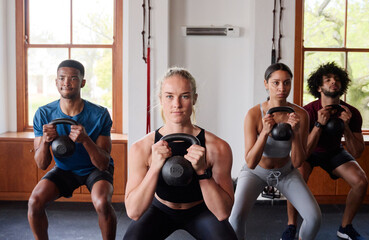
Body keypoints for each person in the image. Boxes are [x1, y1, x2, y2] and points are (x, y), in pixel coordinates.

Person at [123, 67, 237, 240]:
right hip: (160, 210)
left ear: (194, 99)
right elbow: (134, 211)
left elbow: (222, 213)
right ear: (161, 99)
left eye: (184, 96)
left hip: (201, 211)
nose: (176, 104)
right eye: (169, 96)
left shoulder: (217, 148)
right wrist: (154, 167)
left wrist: (202, 171)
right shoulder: (142, 148)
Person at [229, 63, 321, 240]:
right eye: (276, 83)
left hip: (286, 172)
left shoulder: (300, 115)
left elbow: (298, 162)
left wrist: (295, 133)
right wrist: (264, 132)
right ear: (266, 84)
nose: (282, 88)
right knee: (236, 218)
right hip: (256, 172)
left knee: (314, 218)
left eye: (286, 83)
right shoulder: (254, 114)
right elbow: (250, 162)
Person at [27, 59, 117, 240]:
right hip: (64, 169)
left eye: (73, 78)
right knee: (34, 202)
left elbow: (102, 163)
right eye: (61, 78)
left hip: (94, 169)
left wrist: (85, 140)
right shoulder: (44, 114)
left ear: (82, 82)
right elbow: (42, 164)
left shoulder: (100, 114)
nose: (66, 82)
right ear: (56, 82)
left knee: (102, 203)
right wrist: (45, 141)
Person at [282, 62, 368, 240]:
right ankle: (291, 226)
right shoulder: (307, 112)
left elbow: (357, 151)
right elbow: (303, 150)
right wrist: (319, 125)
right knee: (294, 178)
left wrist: (346, 127)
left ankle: (345, 227)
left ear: (341, 84)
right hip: (310, 153)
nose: (333, 82)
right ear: (319, 87)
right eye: (327, 80)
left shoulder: (351, 113)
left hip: (334, 152)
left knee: (361, 181)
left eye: (336, 79)